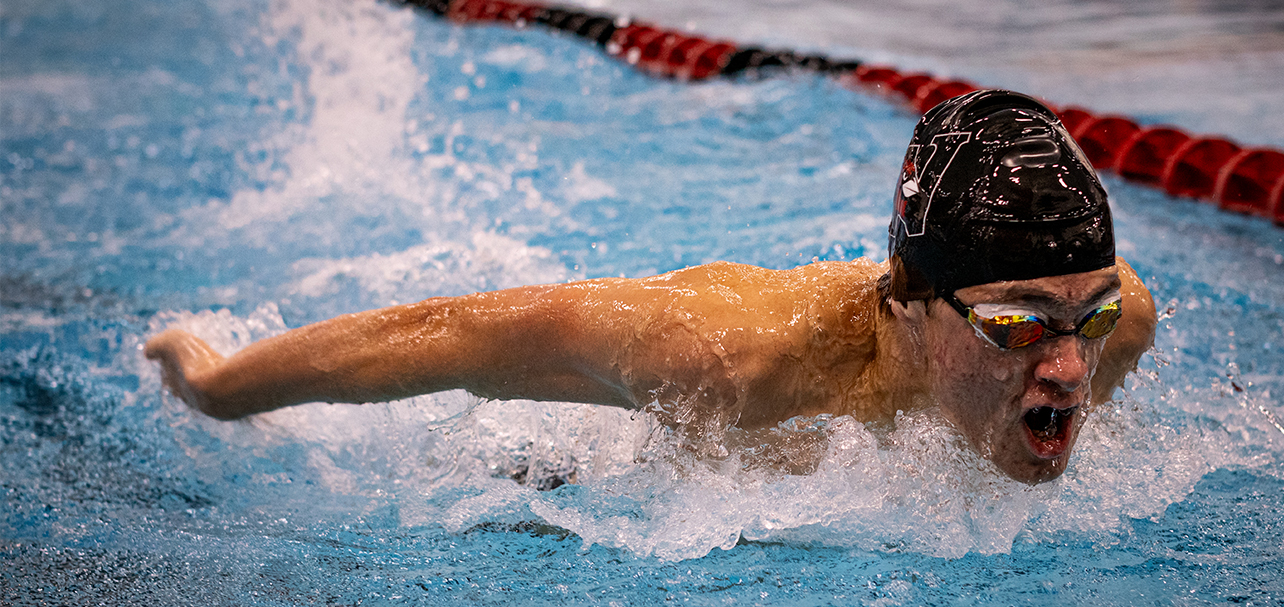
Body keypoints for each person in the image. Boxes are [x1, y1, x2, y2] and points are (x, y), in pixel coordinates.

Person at [145, 90, 1156, 485]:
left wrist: (1070, 317)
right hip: (619, 460)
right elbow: (441, 332)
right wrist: (217, 384)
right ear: (908, 297)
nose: (1067, 364)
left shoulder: (1119, 328)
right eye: (1020, 324)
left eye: (1088, 315)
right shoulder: (726, 356)